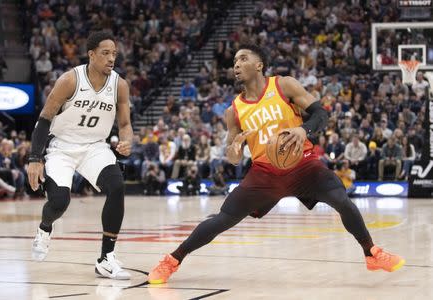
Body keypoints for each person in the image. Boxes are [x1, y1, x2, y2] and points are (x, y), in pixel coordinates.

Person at [147, 44, 404, 284]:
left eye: (243, 59)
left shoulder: (284, 85)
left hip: (304, 165)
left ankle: (371, 253)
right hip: (265, 172)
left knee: (342, 201)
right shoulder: (233, 110)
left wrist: (304, 130)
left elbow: (321, 113)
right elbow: (233, 156)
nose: (236, 64)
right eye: (235, 60)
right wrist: (234, 149)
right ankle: (172, 260)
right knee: (223, 218)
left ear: (259, 65)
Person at [27, 31, 133, 280]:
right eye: (105, 53)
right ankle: (45, 228)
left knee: (117, 186)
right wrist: (34, 159)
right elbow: (44, 119)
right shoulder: (70, 80)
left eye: (114, 54)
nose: (111, 58)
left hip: (95, 146)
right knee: (59, 202)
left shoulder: (120, 84)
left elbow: (125, 124)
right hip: (62, 147)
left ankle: (106, 258)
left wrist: (127, 141)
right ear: (91, 54)